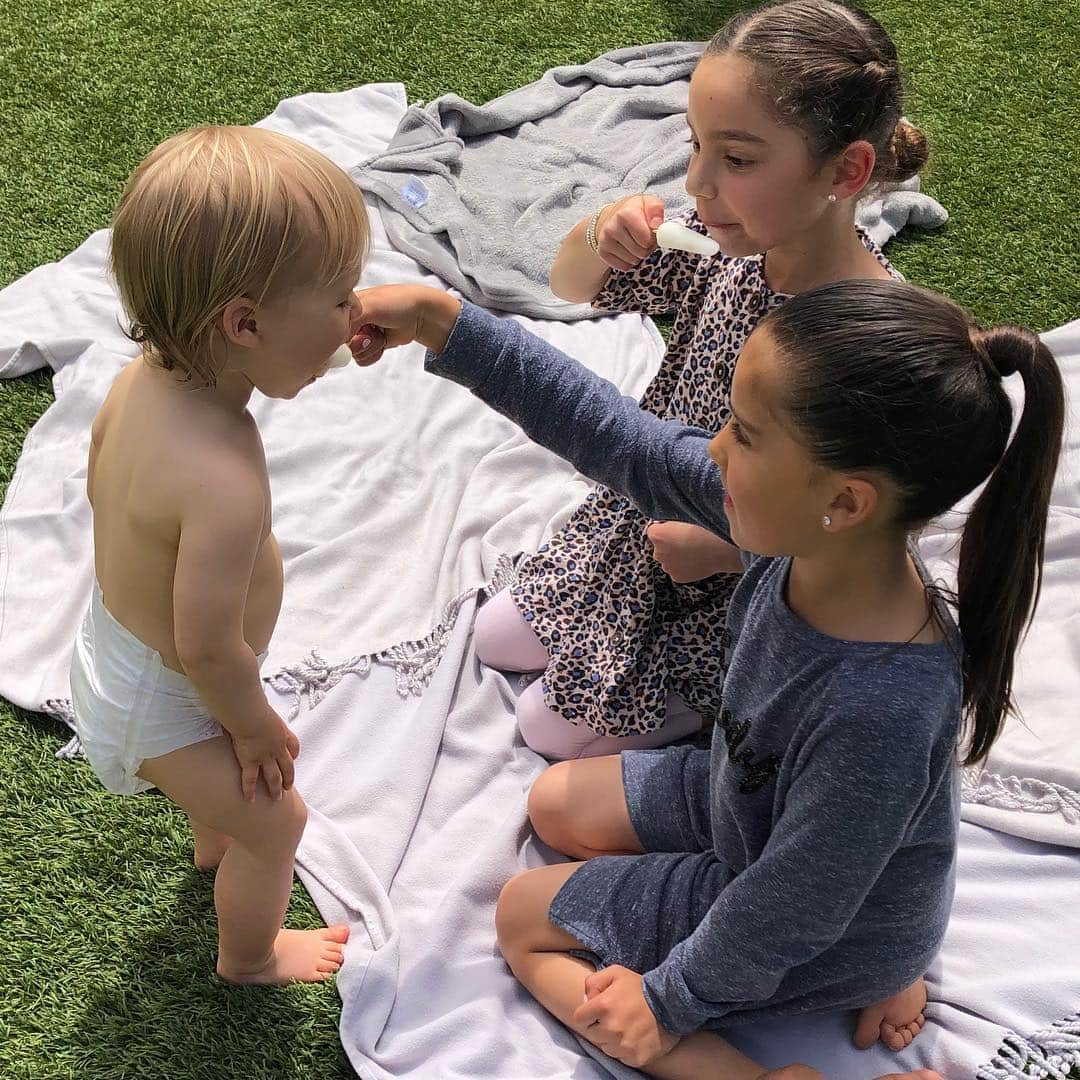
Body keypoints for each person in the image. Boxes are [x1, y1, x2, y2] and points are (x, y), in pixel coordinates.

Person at [344, 277, 1064, 1080]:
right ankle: (889, 967)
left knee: (520, 916)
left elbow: (790, 909)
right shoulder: (801, 540)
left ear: (845, 501)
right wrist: (449, 327)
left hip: (819, 927)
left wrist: (666, 1003)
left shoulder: (882, 706)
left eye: (746, 436)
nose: (713, 446)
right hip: (747, 802)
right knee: (553, 802)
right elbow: (625, 439)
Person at [474, 0, 933, 767]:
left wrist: (729, 553)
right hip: (642, 522)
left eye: (739, 159)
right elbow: (570, 282)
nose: (697, 182)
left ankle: (713, 717)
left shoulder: (869, 342)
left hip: (744, 590)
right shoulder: (731, 247)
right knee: (494, 636)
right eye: (695, 146)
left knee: (544, 728)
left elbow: (869, 534)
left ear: (846, 170)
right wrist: (601, 233)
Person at [69, 125, 369, 984]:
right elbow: (207, 650)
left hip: (129, 657)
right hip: (172, 691)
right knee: (279, 826)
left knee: (233, 801)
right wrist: (253, 724)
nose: (355, 316)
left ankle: (212, 832)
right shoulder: (223, 478)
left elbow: (100, 489)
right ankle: (250, 956)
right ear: (244, 324)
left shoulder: (138, 383)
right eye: (340, 298)